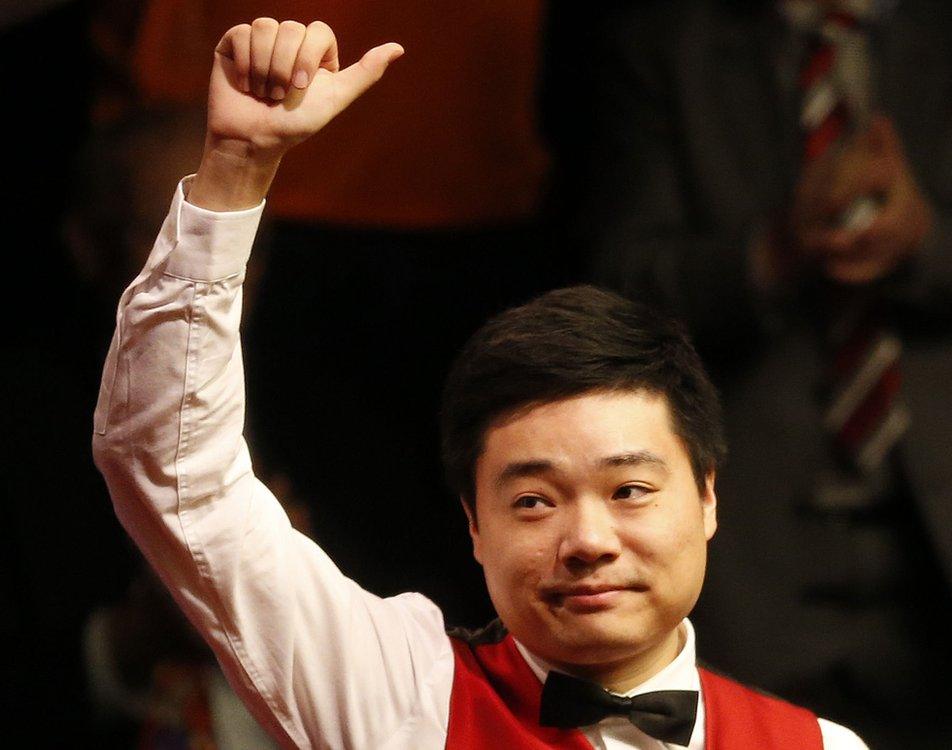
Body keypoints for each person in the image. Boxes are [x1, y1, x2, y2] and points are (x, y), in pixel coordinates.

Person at [93, 19, 867, 748]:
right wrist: (236, 168)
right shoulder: (399, 692)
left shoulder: (823, 748)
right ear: (473, 524)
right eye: (533, 501)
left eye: (629, 490)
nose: (588, 542)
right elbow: (179, 478)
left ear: (706, 498)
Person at [542, 0, 952, 745]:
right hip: (748, 532)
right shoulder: (666, 39)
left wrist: (925, 241)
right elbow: (616, 286)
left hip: (946, 534)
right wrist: (774, 250)